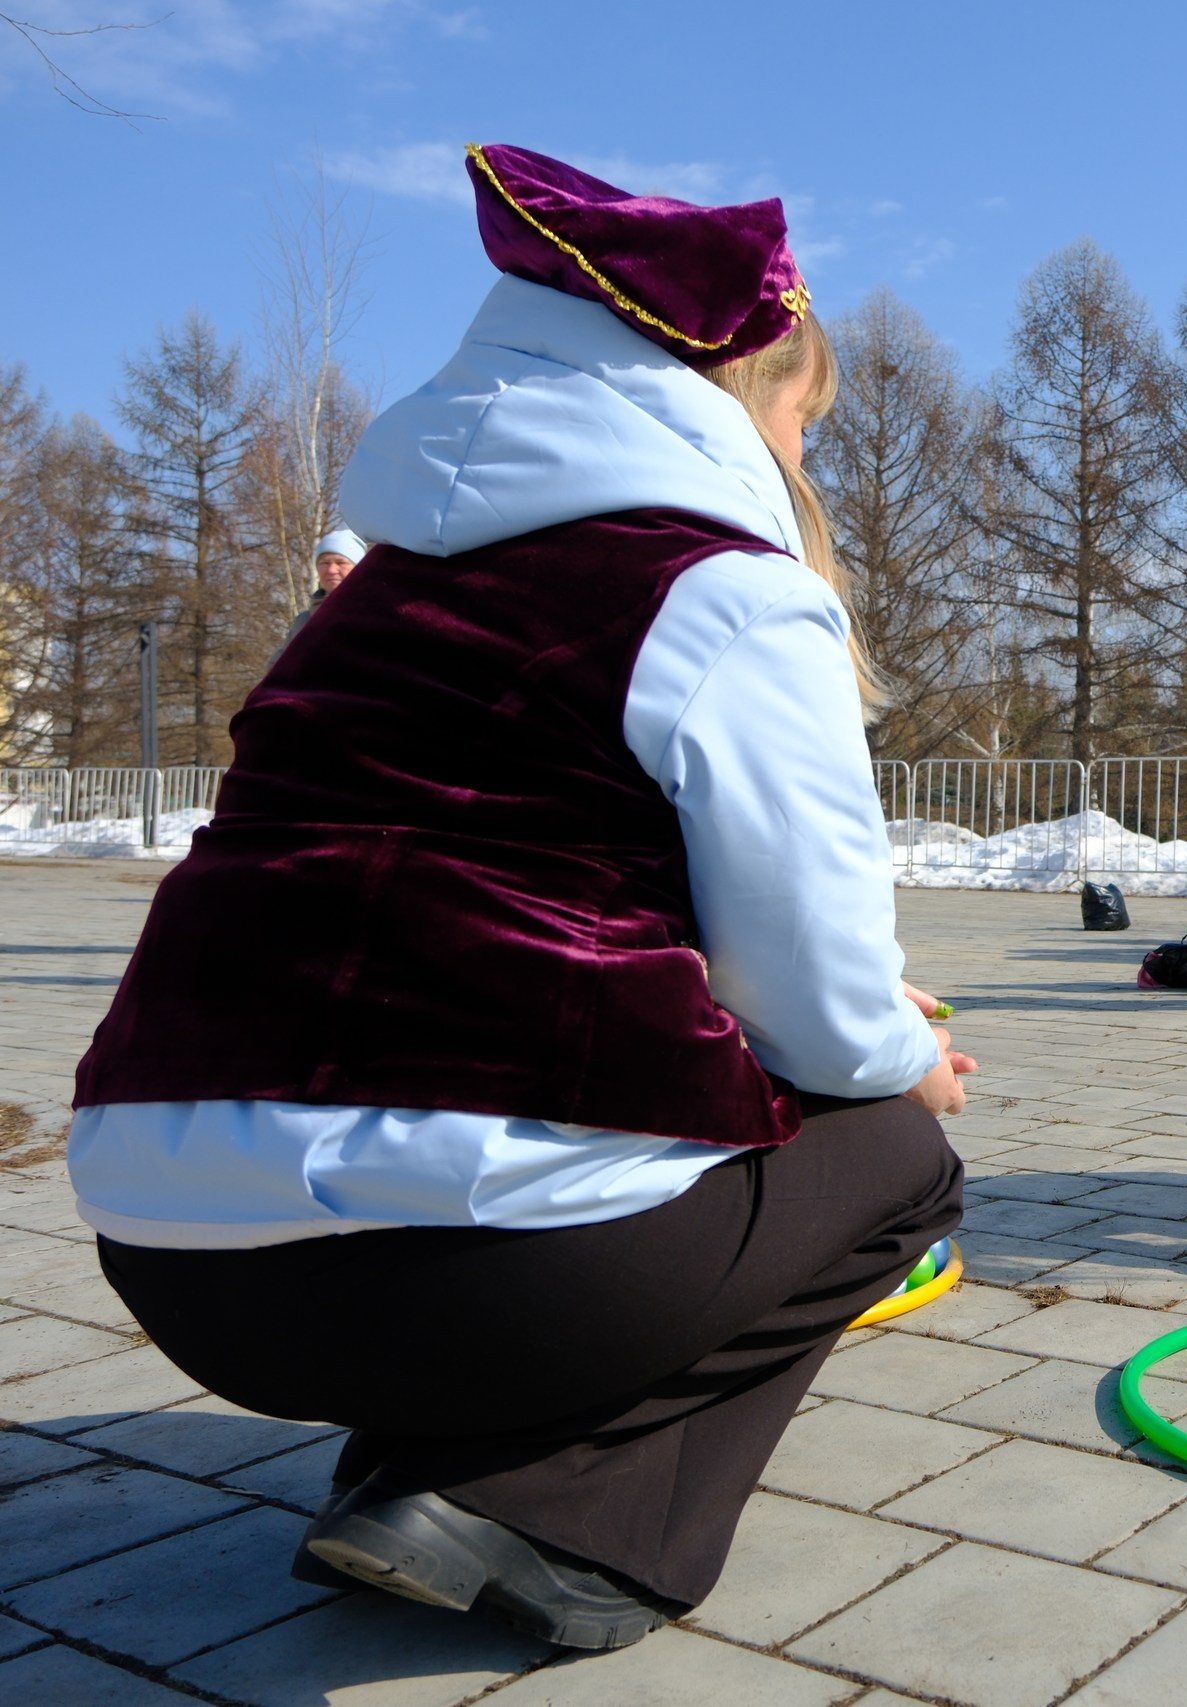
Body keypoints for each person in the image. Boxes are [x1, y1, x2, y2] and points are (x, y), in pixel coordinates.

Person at [67, 145, 972, 1650]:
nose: (804, 468)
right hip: (466, 1272)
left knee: (781, 1115)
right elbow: (822, 1008)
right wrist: (901, 1054)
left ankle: (430, 1463)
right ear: (737, 399)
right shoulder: (723, 591)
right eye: (804, 424)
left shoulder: (377, 594)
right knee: (893, 1152)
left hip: (174, 1253)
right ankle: (555, 1512)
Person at [282, 528, 367, 647]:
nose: (331, 570)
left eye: (340, 562)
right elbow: (278, 664)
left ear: (359, 568)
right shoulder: (303, 622)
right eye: (324, 563)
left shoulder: (373, 615)